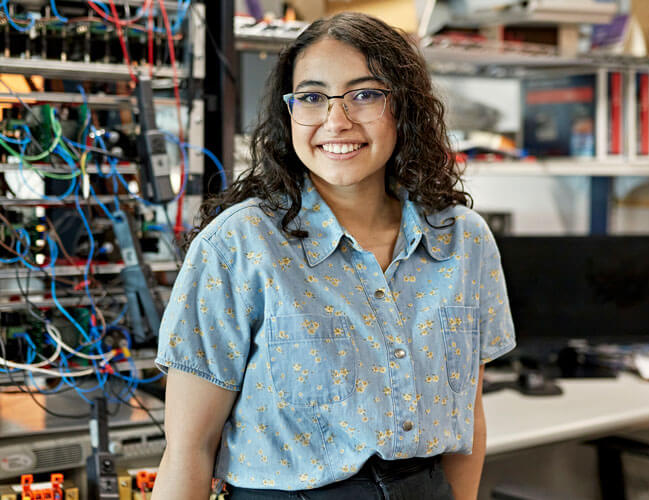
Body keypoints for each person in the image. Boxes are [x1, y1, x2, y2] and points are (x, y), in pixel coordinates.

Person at [152, 12, 515, 500]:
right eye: (312, 97)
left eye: (365, 94)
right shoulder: (239, 246)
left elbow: (469, 422)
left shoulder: (463, 241)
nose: (335, 120)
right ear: (290, 113)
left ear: (403, 107)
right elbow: (189, 449)